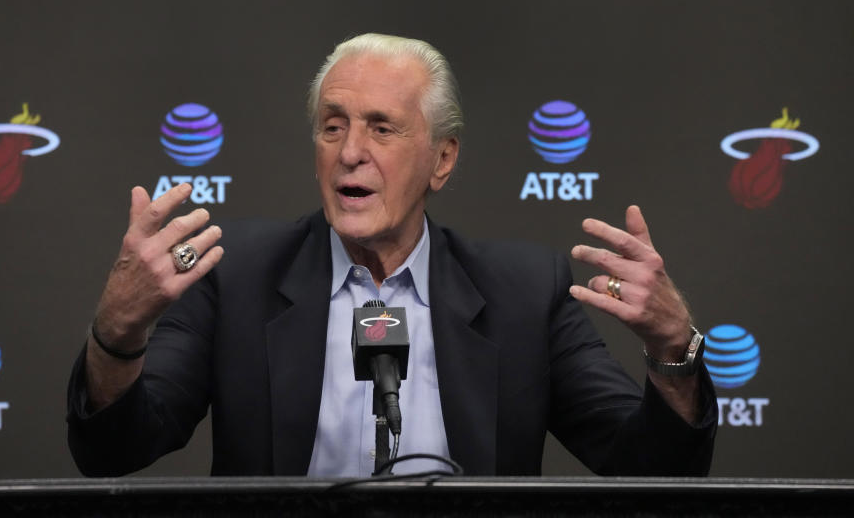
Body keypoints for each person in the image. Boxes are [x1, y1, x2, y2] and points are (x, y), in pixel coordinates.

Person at [67, 34, 716, 477]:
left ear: (442, 158)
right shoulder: (235, 275)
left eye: (381, 128)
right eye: (333, 125)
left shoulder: (524, 292)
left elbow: (651, 472)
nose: (351, 151)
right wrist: (117, 333)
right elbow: (116, 450)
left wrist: (672, 351)